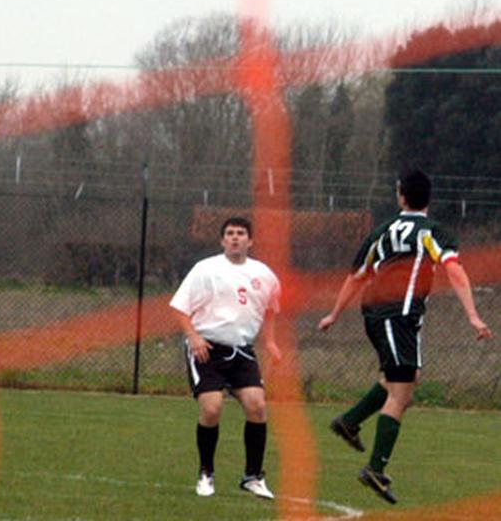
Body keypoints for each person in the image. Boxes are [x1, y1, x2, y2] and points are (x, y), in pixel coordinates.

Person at [318, 169, 492, 504]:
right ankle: (375, 469)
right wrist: (471, 315)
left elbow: (355, 277)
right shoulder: (431, 231)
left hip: (380, 315)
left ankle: (349, 422)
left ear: (401, 197)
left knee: (404, 377)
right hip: (396, 315)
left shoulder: (381, 233)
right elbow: (453, 268)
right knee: (401, 394)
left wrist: (335, 314)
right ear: (429, 198)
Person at [170, 217, 282, 500]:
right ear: (222, 241)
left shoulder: (264, 274)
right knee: (212, 409)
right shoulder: (205, 269)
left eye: (241, 233)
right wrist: (194, 337)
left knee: (257, 406)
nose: (235, 238)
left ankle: (253, 477)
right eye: (230, 234)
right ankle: (206, 473)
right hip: (207, 349)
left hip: (242, 350)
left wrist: (269, 342)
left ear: (250, 240)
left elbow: (271, 309)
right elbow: (179, 308)